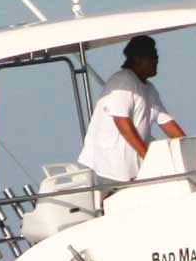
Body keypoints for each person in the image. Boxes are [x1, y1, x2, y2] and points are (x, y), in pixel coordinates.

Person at [76, 34, 185, 183]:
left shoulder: (149, 89)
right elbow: (122, 123)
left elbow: (168, 124)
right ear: (137, 59)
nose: (156, 60)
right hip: (113, 169)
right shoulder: (123, 82)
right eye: (152, 56)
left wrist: (192, 151)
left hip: (134, 169)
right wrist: (148, 157)